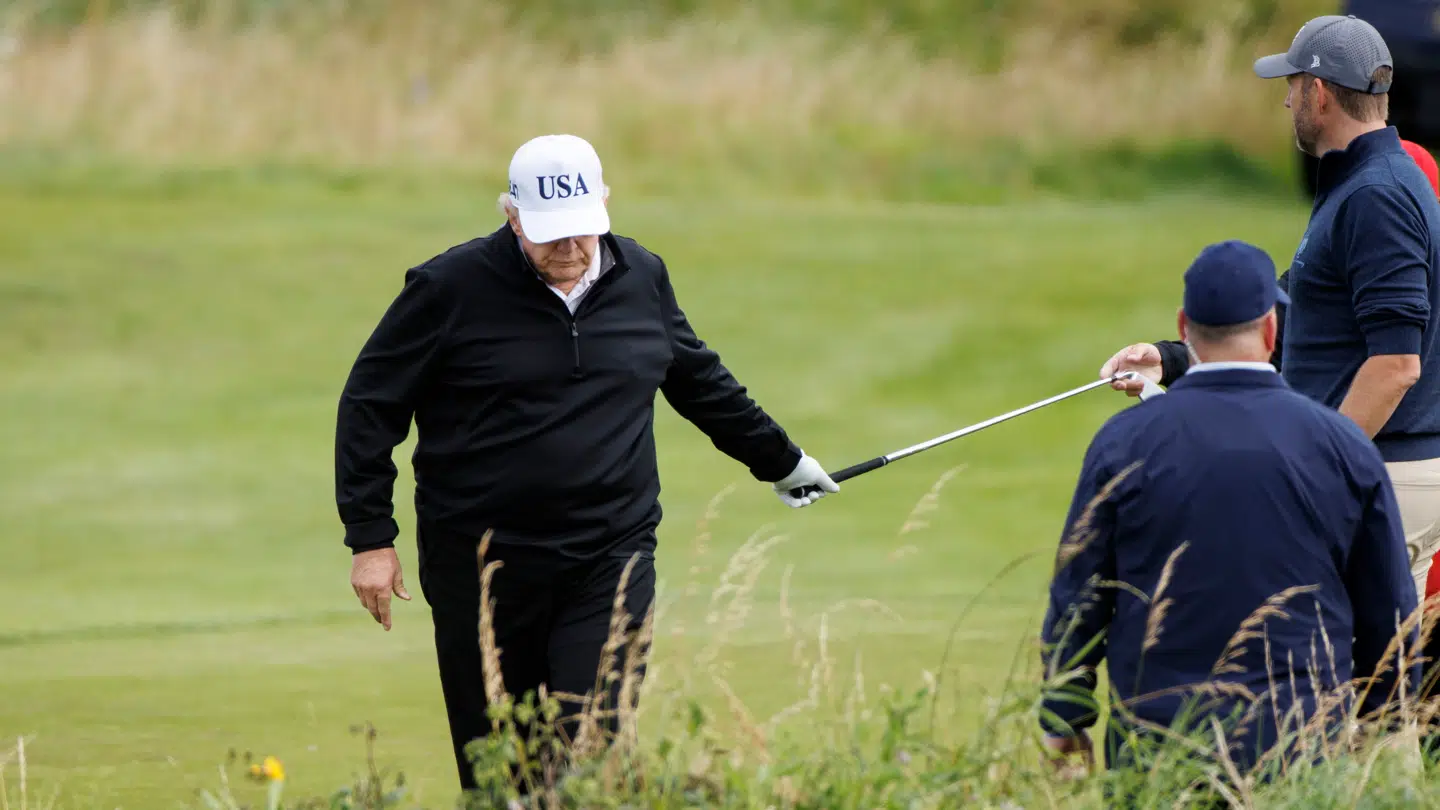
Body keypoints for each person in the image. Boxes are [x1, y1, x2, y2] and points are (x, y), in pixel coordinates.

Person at [333, 133, 839, 794]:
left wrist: (783, 462)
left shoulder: (641, 277)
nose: (571, 250)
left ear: (605, 204)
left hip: (611, 552)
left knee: (587, 745)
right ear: (511, 216)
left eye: (583, 231)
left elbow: (697, 381)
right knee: (498, 763)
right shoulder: (448, 289)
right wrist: (371, 538)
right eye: (550, 235)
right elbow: (370, 404)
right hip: (481, 566)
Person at [1042, 241, 1420, 792]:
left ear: (1183, 327)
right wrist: (1377, 721)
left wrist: (1064, 720)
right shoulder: (1341, 444)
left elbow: (1080, 595)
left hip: (1158, 750)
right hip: (1299, 748)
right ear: (1271, 330)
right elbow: (1387, 608)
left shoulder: (1124, 442)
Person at [1099, 15, 1440, 601]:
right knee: (1359, 674)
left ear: (1320, 92)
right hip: (1378, 465)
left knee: (1334, 666)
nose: (1286, 102)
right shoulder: (1361, 182)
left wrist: (1319, 464)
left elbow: (1396, 365)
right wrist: (1176, 360)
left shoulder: (1376, 194)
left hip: (1382, 468)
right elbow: (1302, 316)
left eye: (1291, 86)